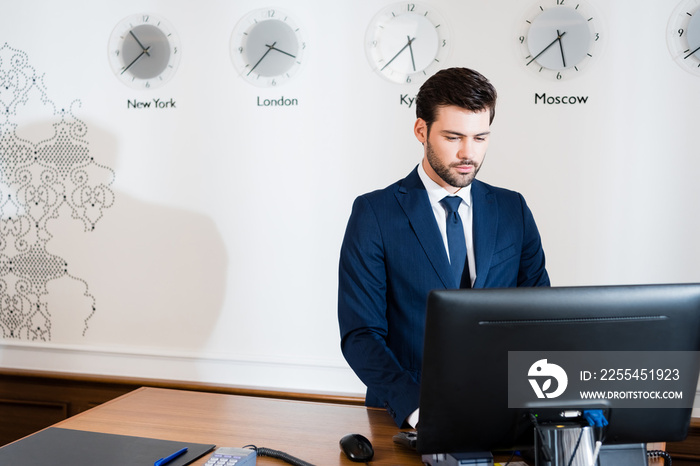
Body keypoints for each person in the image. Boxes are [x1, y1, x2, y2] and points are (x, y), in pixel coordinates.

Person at [337, 67, 550, 427]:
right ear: (421, 130)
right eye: (454, 137)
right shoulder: (374, 213)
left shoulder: (513, 209)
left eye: (480, 138)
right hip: (405, 415)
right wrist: (418, 411)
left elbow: (539, 316)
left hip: (502, 410)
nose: (468, 153)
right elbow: (361, 334)